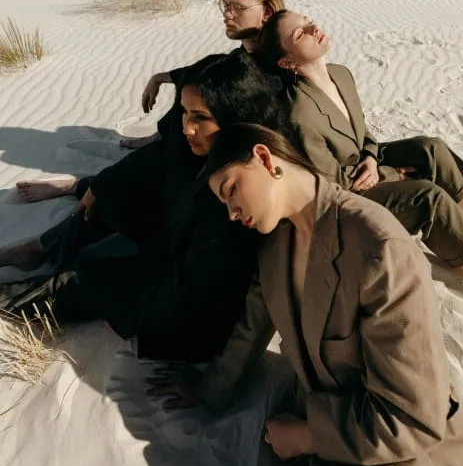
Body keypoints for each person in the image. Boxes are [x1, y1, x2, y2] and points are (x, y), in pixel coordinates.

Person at [150, 123, 463, 466]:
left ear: (265, 159)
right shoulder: (275, 250)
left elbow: (413, 419)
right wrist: (208, 389)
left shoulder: (377, 245)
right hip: (320, 464)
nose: (231, 212)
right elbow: (250, 331)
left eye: (231, 190)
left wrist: (306, 436)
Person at [255, 10, 463, 306]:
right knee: (427, 197)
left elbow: (362, 132)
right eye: (300, 33)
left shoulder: (340, 74)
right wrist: (390, 174)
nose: (313, 28)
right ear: (287, 61)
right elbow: (331, 184)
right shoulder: (298, 113)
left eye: (308, 21)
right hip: (348, 196)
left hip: (364, 165)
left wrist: (373, 158)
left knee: (430, 148)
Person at [1, 57, 289, 362]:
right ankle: (42, 248)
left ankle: (9, 299)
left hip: (177, 297)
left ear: (237, 119)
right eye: (184, 112)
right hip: (172, 236)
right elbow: (153, 159)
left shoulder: (240, 194)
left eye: (200, 117)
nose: (187, 128)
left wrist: (131, 286)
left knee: (87, 281)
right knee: (112, 194)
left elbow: (200, 297)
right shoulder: (195, 144)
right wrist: (98, 187)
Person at [14, 0, 286, 203]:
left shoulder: (276, 64)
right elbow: (208, 69)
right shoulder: (243, 54)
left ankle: (82, 186)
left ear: (267, 12)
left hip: (215, 160)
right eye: (224, 5)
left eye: (237, 7)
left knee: (147, 166)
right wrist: (161, 77)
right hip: (194, 146)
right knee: (190, 91)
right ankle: (146, 146)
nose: (227, 14)